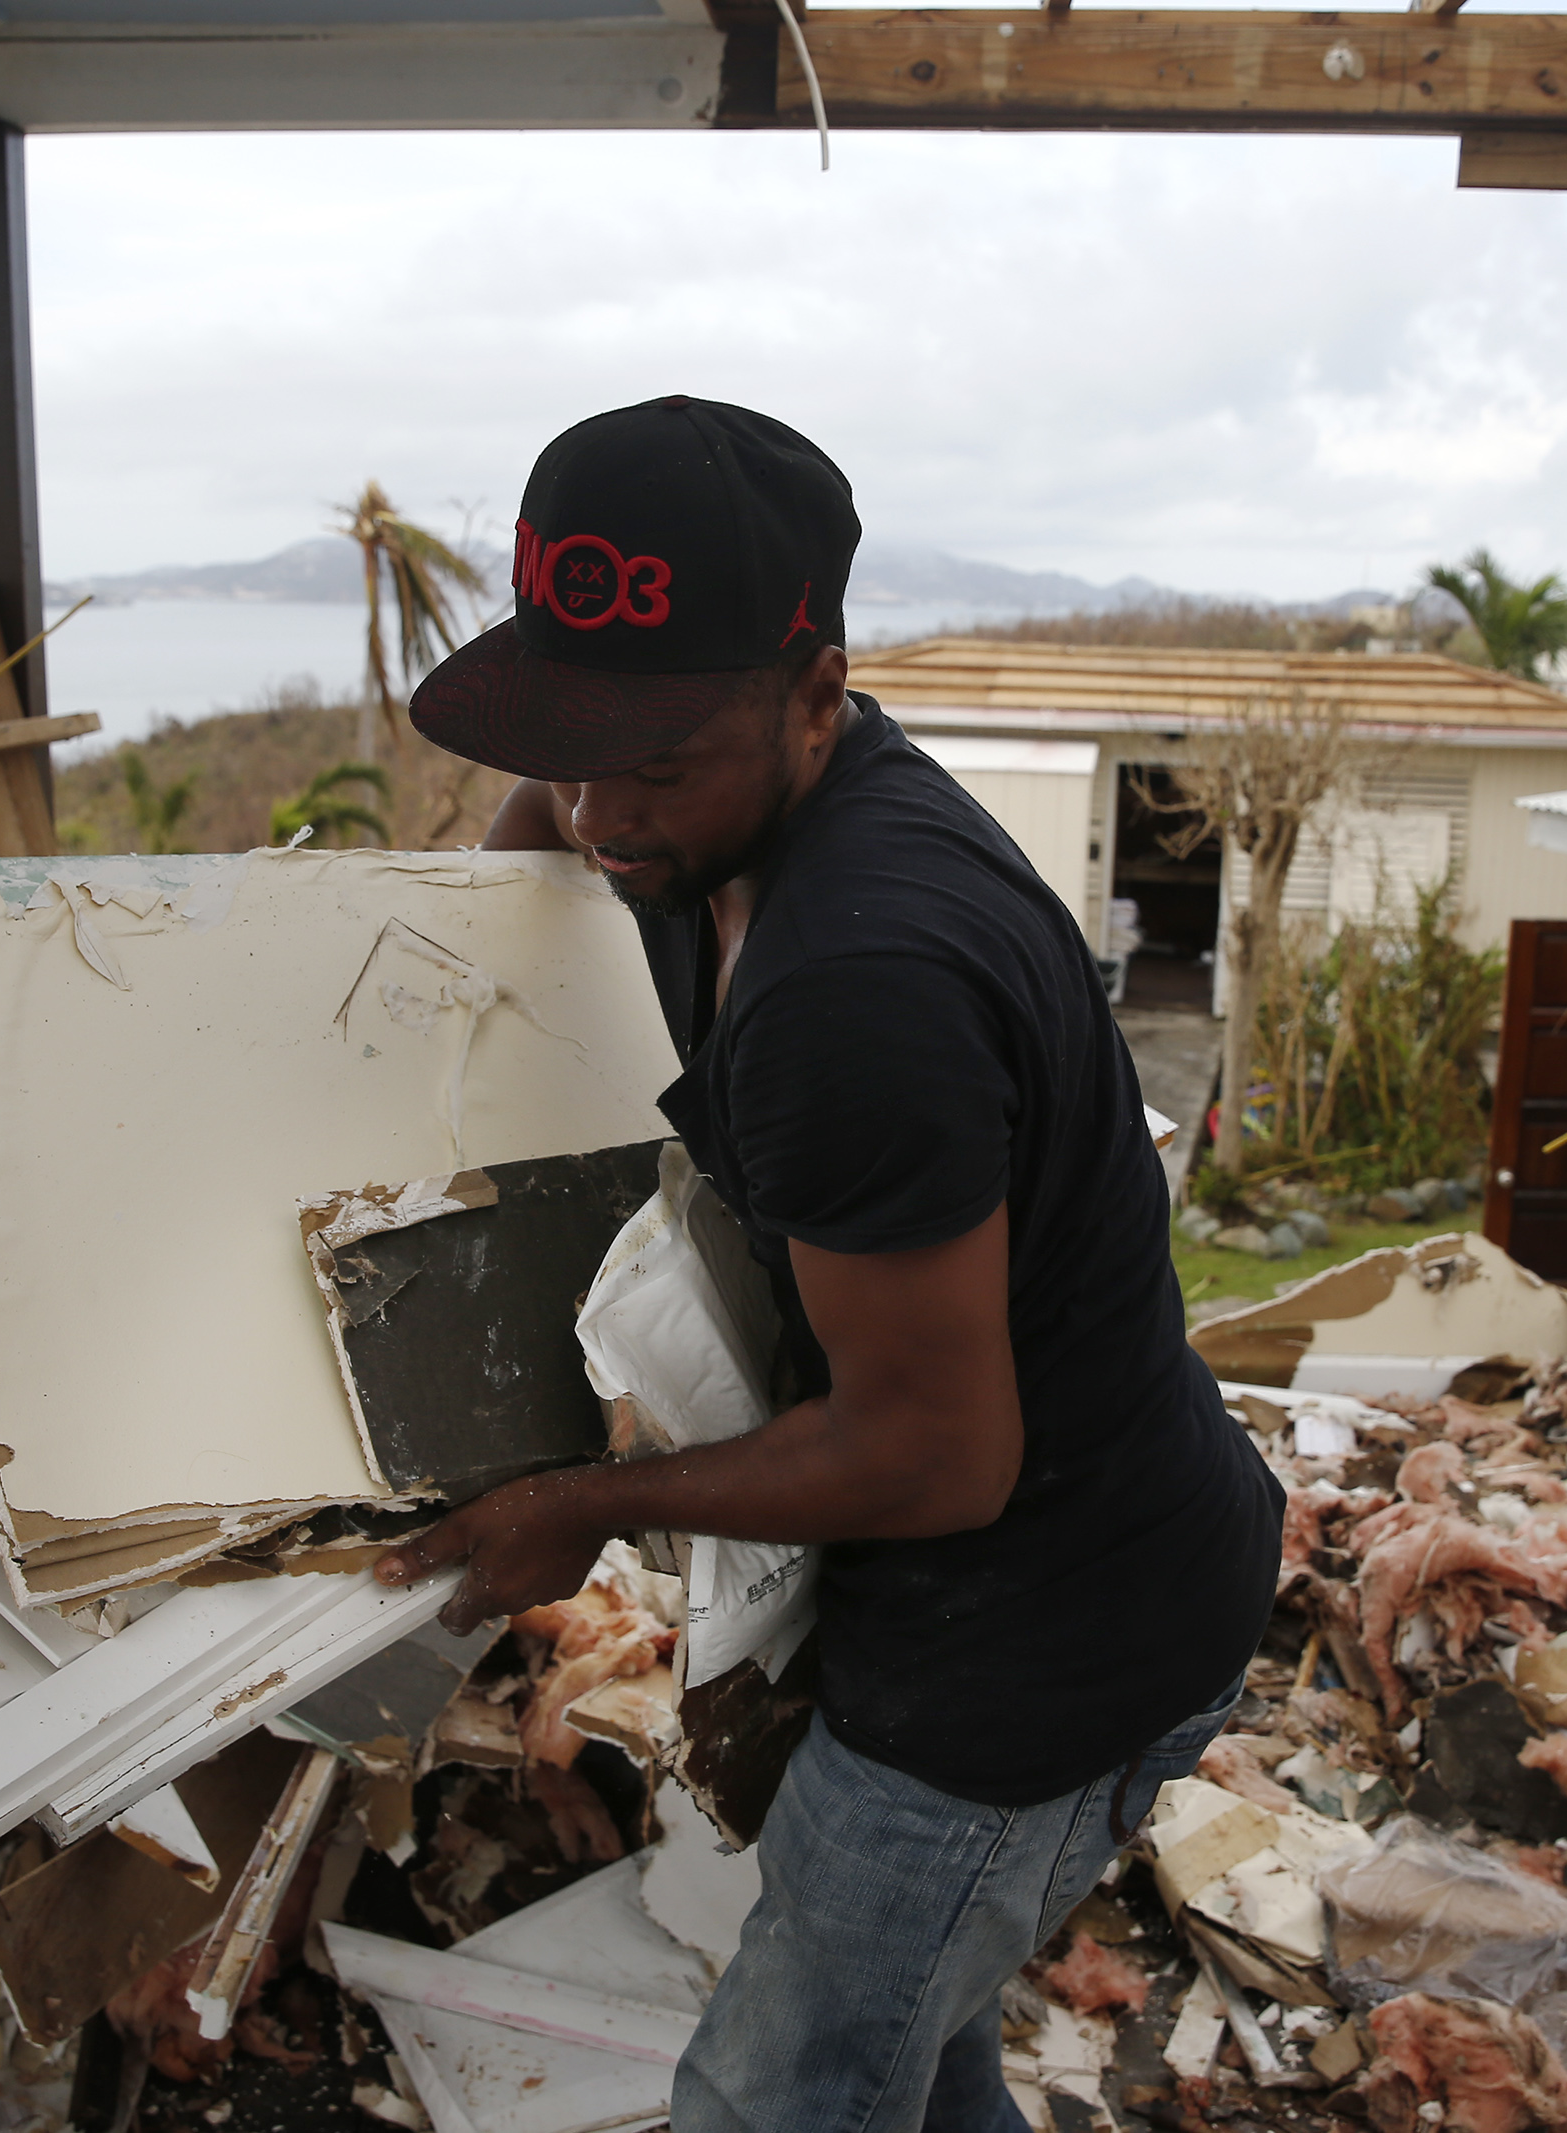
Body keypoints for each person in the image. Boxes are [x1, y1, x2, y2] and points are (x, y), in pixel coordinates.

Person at [374, 396, 1283, 2133]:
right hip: (1028, 1577)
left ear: (816, 689)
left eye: (655, 761)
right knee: (916, 2072)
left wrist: (584, 1502)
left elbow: (940, 1454)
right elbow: (572, 800)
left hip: (1035, 1649)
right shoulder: (707, 802)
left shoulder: (855, 988)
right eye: (572, 743)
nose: (600, 813)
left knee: (774, 2101)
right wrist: (453, 947)